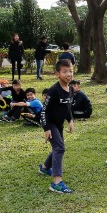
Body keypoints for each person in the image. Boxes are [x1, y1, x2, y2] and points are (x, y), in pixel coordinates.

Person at [39, 59, 75, 194]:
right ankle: (57, 183)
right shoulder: (54, 90)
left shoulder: (70, 89)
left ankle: (44, 167)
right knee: (60, 148)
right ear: (57, 74)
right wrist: (46, 128)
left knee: (57, 148)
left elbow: (67, 106)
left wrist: (70, 120)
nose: (69, 74)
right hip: (51, 123)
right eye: (65, 71)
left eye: (71, 71)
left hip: (59, 124)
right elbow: (44, 110)